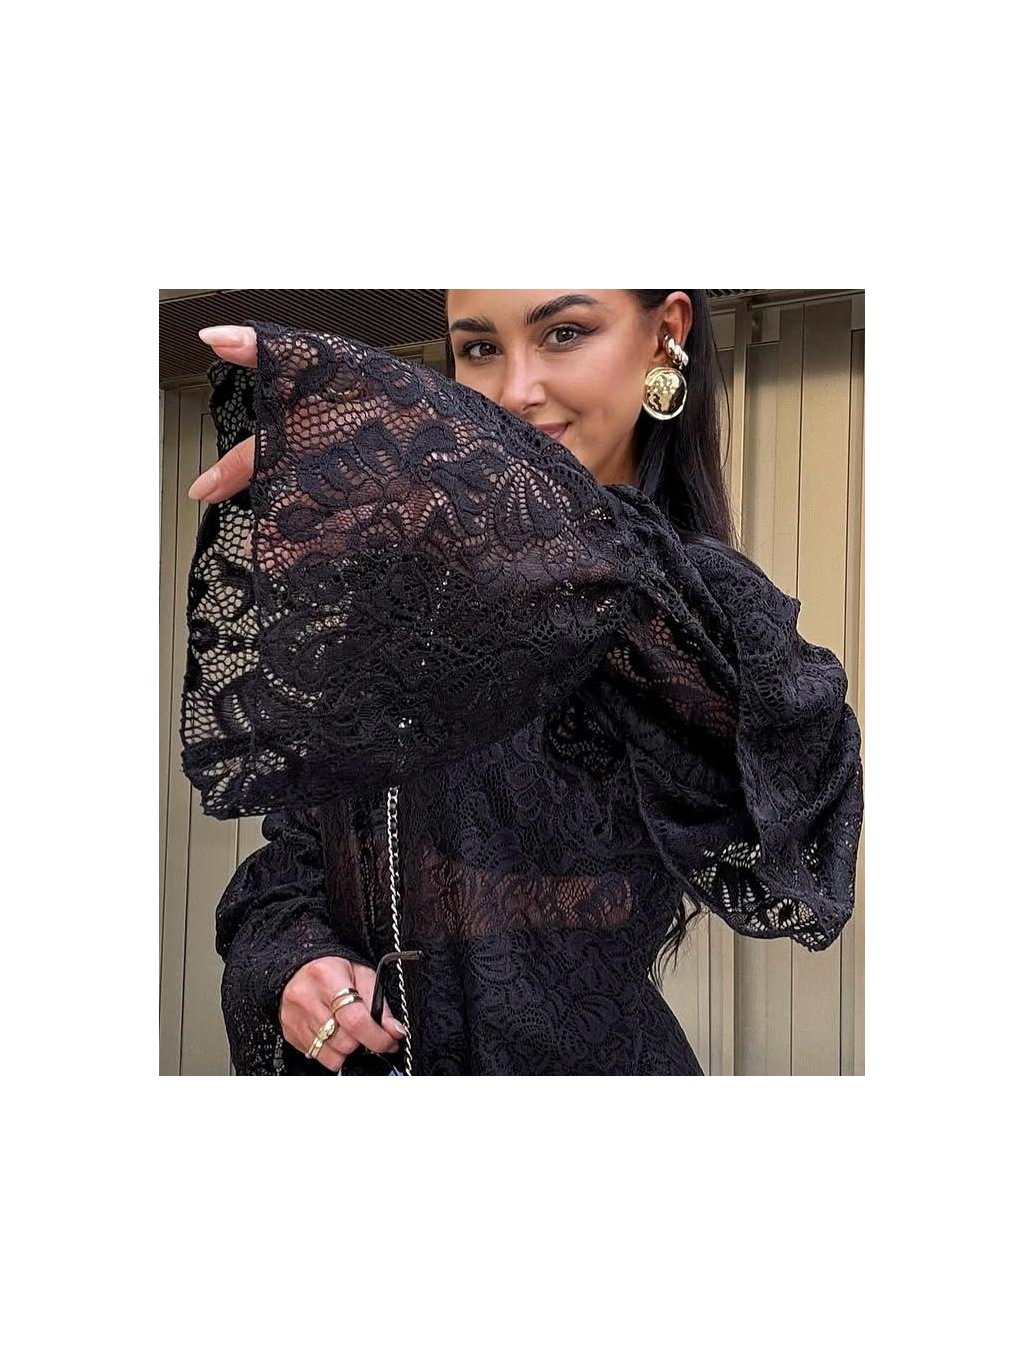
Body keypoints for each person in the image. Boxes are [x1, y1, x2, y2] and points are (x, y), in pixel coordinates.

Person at [179, 290, 864, 1076]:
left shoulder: (688, 609)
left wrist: (504, 498)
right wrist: (299, 961)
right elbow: (298, 862)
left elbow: (796, 824)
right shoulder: (393, 601)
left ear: (665, 336)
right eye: (479, 350)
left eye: (564, 333)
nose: (515, 390)